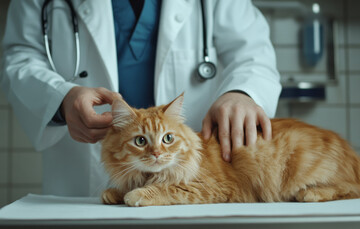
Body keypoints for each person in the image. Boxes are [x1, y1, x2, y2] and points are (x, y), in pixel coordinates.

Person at [1, 0, 281, 197]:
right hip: (81, 172)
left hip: (190, 181)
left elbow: (253, 51)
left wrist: (242, 92)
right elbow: (18, 56)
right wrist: (61, 98)